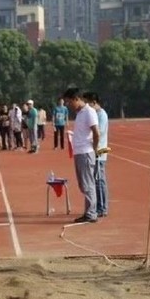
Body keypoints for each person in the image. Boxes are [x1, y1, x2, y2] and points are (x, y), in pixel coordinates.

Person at [63, 88, 99, 223]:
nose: (68, 105)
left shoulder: (89, 112)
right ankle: (89, 211)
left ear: (76, 99)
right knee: (83, 184)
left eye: (69, 102)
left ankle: (91, 213)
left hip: (85, 152)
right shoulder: (80, 113)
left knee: (88, 184)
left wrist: (94, 150)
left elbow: (96, 133)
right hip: (79, 152)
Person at [84, 92, 109, 218]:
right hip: (95, 150)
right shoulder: (94, 114)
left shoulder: (101, 114)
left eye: (88, 102)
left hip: (100, 151)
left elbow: (100, 132)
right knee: (95, 180)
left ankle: (102, 207)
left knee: (99, 180)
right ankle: (99, 206)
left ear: (94, 102)